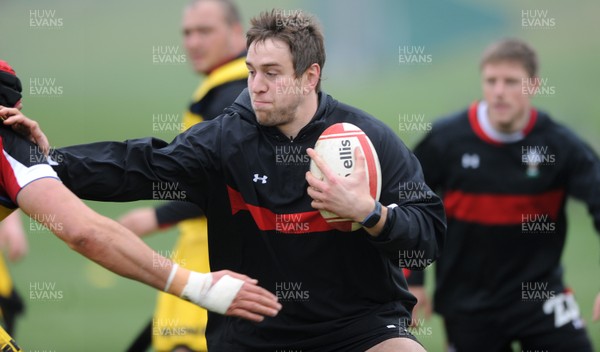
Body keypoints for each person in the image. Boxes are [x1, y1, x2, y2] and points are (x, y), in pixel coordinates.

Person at [30, 9, 446, 351]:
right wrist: (43, 161)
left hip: (360, 328)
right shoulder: (225, 140)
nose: (255, 87)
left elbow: (427, 236)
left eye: (271, 73)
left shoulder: (366, 140)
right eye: (251, 71)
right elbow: (137, 166)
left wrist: (369, 213)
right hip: (255, 335)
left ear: (311, 76)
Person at [0, 59, 281, 350]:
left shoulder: (231, 97)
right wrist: (197, 286)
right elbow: (85, 232)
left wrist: (43, 160)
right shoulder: (7, 145)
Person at [409, 38, 600, 351]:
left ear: (533, 85)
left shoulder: (559, 146)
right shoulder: (446, 141)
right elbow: (411, 202)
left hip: (540, 297)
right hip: (468, 303)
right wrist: (412, 279)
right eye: (491, 81)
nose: (499, 91)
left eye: (511, 82)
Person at [118, 1, 248, 351]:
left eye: (204, 31)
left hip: (213, 255)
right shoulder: (222, 90)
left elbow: (226, 183)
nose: (192, 42)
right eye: (187, 33)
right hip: (202, 254)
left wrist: (155, 216)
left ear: (237, 32)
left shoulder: (234, 98)